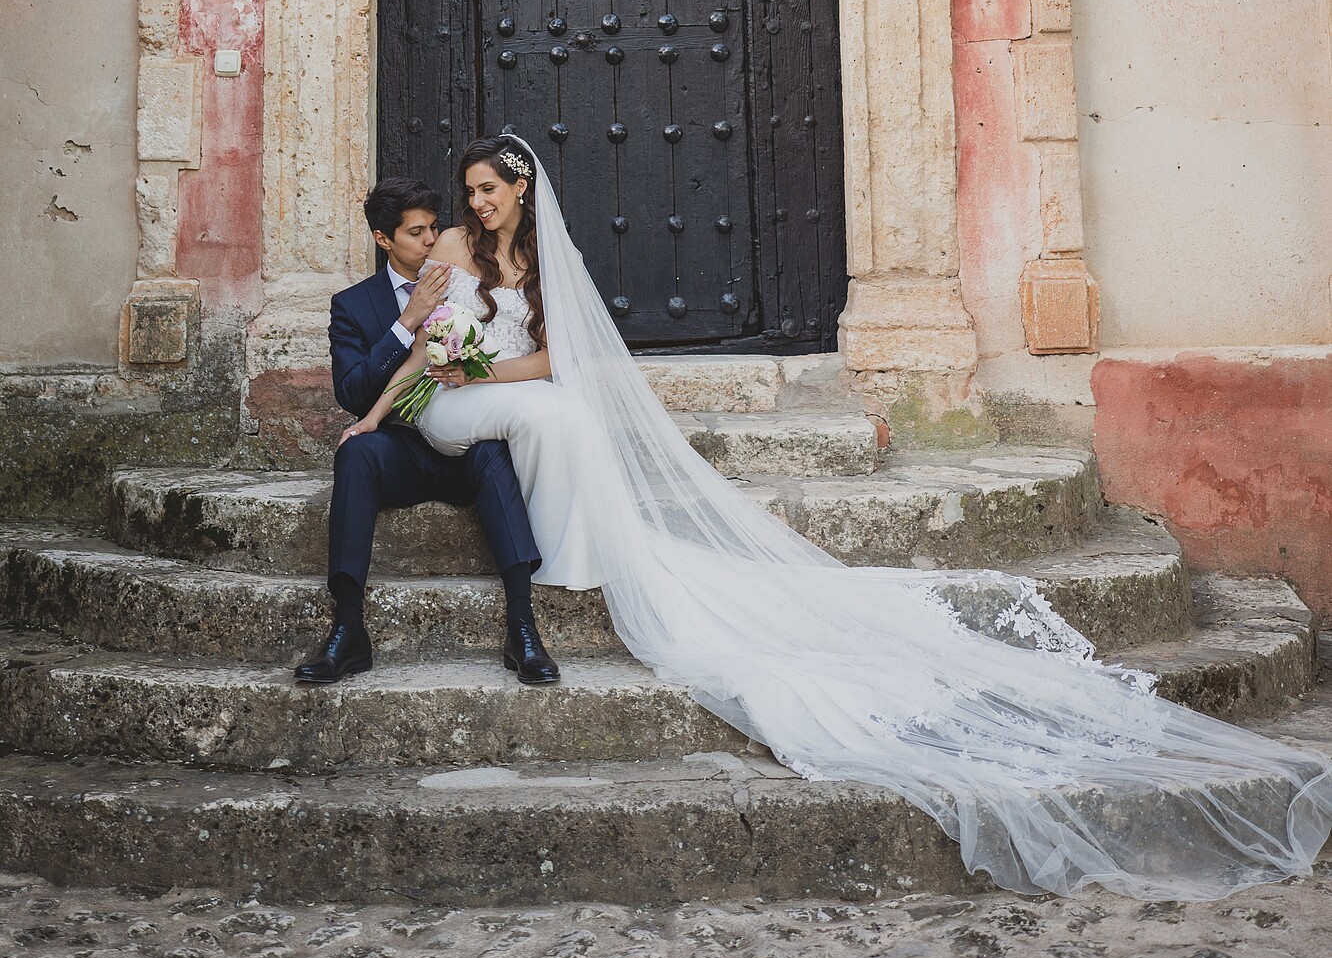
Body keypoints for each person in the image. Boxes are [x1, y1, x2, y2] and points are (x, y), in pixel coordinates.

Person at [352, 128, 1332, 903]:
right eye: (470, 188)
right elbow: (423, 346)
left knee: (560, 406)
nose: (475, 201)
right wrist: (381, 406)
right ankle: (572, 549)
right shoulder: (447, 247)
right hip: (443, 401)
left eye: (489, 188)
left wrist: (490, 363)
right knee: (547, 411)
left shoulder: (544, 257)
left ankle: (586, 548)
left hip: (498, 384)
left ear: (521, 190)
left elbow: (559, 360)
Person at [293, 174, 558, 688]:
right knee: (356, 453)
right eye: (417, 232)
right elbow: (352, 393)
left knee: (494, 456)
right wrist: (405, 321)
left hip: (467, 441)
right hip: (403, 449)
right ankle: (347, 629)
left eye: (435, 227)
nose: (432, 240)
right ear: (383, 240)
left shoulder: (466, 272)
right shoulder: (353, 305)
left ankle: (523, 629)